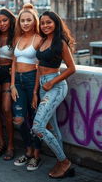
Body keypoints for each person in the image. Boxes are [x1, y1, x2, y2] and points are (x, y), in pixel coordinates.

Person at [32, 11, 76, 179]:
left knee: (38, 126)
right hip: (43, 86)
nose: (45, 26)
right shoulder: (43, 41)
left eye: (48, 22)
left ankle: (64, 161)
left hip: (56, 86)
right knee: (52, 127)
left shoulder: (60, 43)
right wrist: (36, 91)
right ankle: (60, 162)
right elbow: (39, 67)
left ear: (56, 23)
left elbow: (72, 68)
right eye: (42, 23)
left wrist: (53, 81)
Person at [10, 3, 42, 171]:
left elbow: (39, 68)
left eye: (29, 20)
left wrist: (36, 92)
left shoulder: (39, 38)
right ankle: (28, 150)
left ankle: (36, 154)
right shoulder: (17, 38)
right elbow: (14, 63)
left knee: (36, 119)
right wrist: (13, 85)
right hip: (18, 83)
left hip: (32, 80)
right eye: (23, 20)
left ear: (34, 21)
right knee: (19, 118)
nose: (25, 23)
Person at [0, 8, 16, 161]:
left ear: (10, 20)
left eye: (4, 20)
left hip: (8, 74)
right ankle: (0, 143)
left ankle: (11, 145)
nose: (1, 24)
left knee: (7, 109)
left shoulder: (16, 36)